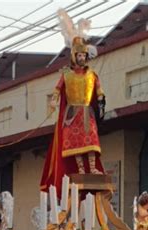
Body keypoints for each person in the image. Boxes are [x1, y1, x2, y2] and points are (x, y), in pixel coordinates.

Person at [41, 17, 105, 193]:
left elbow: (99, 91)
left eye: (84, 55)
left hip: (87, 112)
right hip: (71, 114)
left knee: (91, 141)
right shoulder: (66, 75)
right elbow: (57, 90)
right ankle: (81, 170)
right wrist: (53, 101)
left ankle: (92, 168)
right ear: (74, 57)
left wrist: (101, 101)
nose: (82, 58)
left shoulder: (92, 75)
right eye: (79, 55)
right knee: (76, 144)